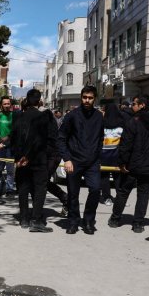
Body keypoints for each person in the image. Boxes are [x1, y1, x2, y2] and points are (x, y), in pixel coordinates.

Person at [108, 94, 149, 233]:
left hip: (133, 164)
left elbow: (126, 144)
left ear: (142, 105)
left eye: (134, 103)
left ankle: (115, 219)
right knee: (143, 193)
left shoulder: (134, 121)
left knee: (123, 191)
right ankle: (138, 223)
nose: (132, 106)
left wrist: (122, 162)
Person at [58, 85, 103, 235]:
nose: (87, 100)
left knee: (96, 189)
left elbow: (100, 138)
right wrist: (67, 159)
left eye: (90, 98)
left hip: (93, 162)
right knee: (73, 194)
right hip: (74, 161)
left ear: (94, 99)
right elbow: (61, 138)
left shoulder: (99, 116)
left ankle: (89, 220)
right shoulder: (72, 116)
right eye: (85, 97)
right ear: (81, 97)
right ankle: (73, 221)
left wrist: (98, 155)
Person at [10, 89, 56, 232]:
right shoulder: (43, 117)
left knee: (23, 188)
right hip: (37, 159)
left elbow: (14, 138)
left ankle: (24, 218)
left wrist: (18, 157)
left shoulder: (18, 117)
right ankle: (36, 220)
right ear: (39, 100)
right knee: (40, 189)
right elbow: (46, 139)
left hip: (21, 161)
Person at [99, 102, 130, 206]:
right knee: (118, 177)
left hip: (103, 155)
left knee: (104, 177)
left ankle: (106, 197)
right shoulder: (121, 124)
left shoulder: (101, 124)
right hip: (116, 155)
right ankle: (120, 198)